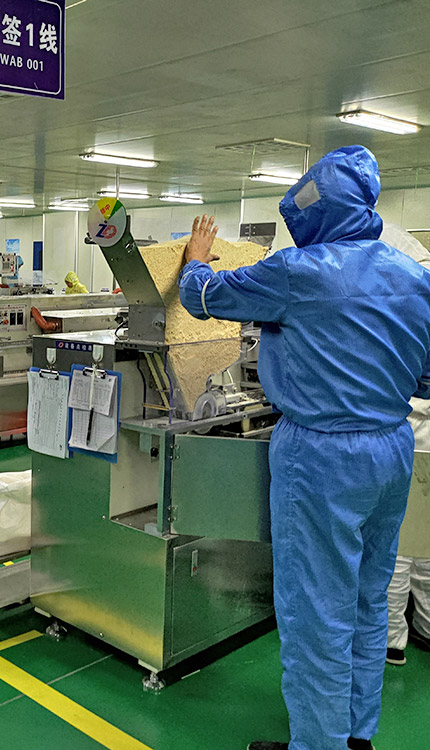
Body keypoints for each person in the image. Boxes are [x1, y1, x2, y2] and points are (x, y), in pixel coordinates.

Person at [178, 145, 430, 750]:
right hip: (392, 451)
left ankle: (318, 745)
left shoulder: (299, 270)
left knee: (316, 610)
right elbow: (425, 379)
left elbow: (202, 298)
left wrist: (195, 261)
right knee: (368, 598)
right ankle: (355, 734)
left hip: (321, 458)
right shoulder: (415, 277)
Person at [379, 223, 430, 667]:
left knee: (396, 542)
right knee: (426, 538)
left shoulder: (397, 286)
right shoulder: (420, 277)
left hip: (408, 424)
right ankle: (428, 628)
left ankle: (391, 639)